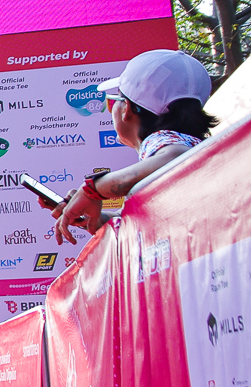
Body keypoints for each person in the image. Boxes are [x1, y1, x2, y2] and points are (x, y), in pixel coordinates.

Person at [52, 49, 217, 245]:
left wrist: (92, 189)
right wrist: (93, 217)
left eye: (112, 102)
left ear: (127, 109)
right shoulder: (193, 142)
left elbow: (177, 157)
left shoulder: (163, 140)